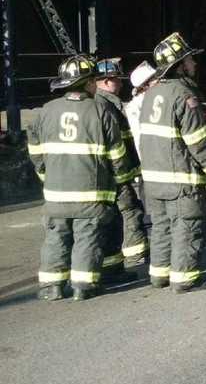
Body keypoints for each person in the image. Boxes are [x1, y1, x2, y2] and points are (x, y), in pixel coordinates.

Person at [27, 54, 138, 301]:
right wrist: (123, 179)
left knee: (56, 237)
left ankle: (52, 287)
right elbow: (117, 154)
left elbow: (35, 151)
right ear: (88, 83)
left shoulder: (46, 111)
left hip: (55, 193)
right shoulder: (100, 110)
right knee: (87, 237)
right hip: (91, 192)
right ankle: (83, 286)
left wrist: (45, 175)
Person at [139, 33, 206, 293]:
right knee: (188, 225)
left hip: (153, 179)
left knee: (162, 226)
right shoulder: (184, 95)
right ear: (179, 65)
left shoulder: (151, 94)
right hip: (180, 179)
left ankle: (159, 275)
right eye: (189, 60)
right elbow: (197, 140)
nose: (194, 64)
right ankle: (185, 279)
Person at [93, 57, 147, 281]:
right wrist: (126, 174)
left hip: (108, 173)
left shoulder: (104, 103)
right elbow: (116, 145)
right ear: (105, 81)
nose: (121, 83)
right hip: (115, 174)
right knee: (128, 210)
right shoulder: (105, 105)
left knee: (116, 216)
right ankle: (136, 256)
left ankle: (116, 263)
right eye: (117, 79)